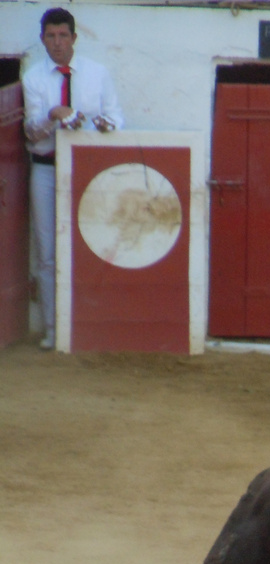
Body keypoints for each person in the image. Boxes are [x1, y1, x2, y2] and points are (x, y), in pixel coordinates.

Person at [22, 8, 124, 349]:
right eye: (50, 36)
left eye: (63, 36)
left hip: (90, 174)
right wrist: (52, 116)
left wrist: (104, 126)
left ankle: (90, 326)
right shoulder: (35, 78)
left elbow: (116, 117)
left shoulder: (97, 74)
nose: (57, 43)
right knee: (47, 251)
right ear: (42, 40)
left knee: (92, 246)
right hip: (47, 169)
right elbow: (32, 133)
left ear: (74, 38)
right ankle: (54, 329)